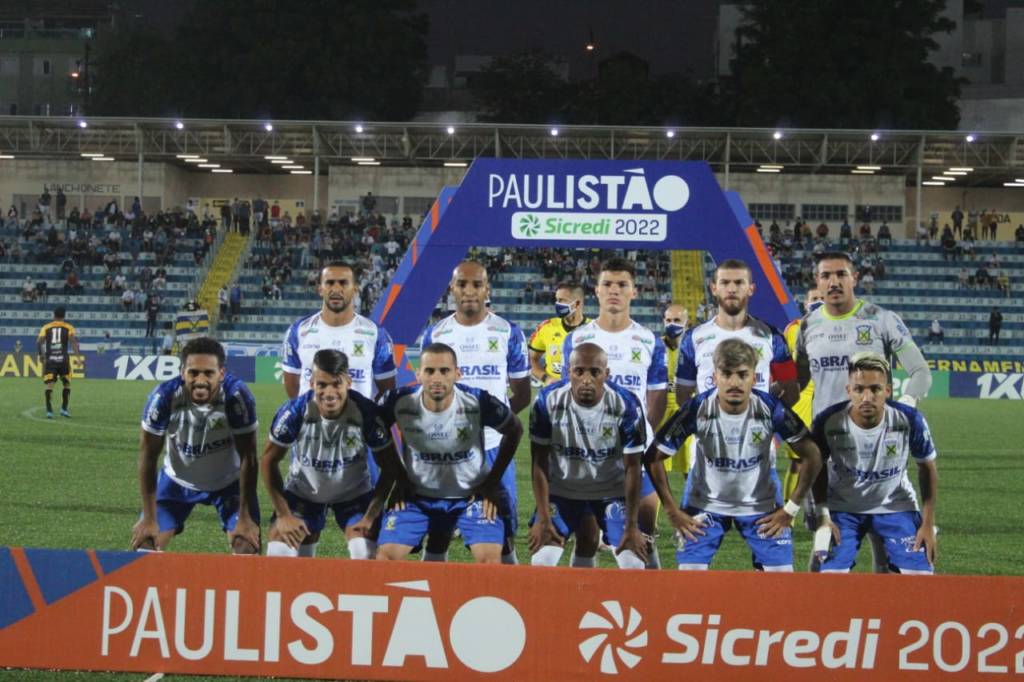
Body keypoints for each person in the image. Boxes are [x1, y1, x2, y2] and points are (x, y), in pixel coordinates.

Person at [796, 251, 931, 573]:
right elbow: (797, 383)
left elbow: (921, 373)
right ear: (817, 282)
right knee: (825, 543)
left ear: (854, 278)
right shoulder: (808, 325)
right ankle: (817, 604)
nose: (834, 282)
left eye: (841, 274)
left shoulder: (881, 319)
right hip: (827, 451)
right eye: (826, 276)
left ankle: (882, 603)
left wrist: (904, 409)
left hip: (879, 449)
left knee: (885, 546)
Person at [645, 339, 822, 571]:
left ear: (754, 378)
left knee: (781, 580)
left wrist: (791, 509)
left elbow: (813, 455)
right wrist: (672, 511)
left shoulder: (771, 409)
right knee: (690, 578)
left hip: (762, 506)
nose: (734, 383)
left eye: (742, 374)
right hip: (704, 505)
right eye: (726, 374)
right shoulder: (697, 408)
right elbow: (653, 457)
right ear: (715, 376)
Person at [419, 260, 530, 563]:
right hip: (445, 450)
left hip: (493, 449)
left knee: (502, 534)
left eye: (477, 285)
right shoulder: (436, 334)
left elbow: (522, 394)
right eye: (462, 284)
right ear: (452, 289)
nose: (469, 291)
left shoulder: (508, 332)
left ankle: (509, 587)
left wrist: (492, 421)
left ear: (487, 289)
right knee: (438, 531)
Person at [561, 257, 668, 568]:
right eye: (607, 284)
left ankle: (654, 596)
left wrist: (639, 438)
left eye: (622, 285)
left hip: (635, 454)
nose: (614, 290)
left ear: (634, 291)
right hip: (588, 453)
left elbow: (657, 397)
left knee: (643, 536)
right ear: (597, 290)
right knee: (586, 535)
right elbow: (566, 396)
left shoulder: (649, 341)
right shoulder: (577, 339)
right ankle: (580, 594)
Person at [375, 343, 523, 564]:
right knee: (385, 558)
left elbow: (515, 429)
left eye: (444, 371)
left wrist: (492, 481)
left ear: (457, 374)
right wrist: (399, 476)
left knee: (490, 562)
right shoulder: (398, 401)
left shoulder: (477, 400)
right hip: (418, 497)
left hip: (471, 497)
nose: (437, 378)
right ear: (418, 374)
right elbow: (375, 432)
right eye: (429, 371)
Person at [130, 337, 261, 554]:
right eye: (193, 373)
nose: (200, 380)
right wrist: (149, 518)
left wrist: (246, 518)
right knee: (145, 545)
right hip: (176, 482)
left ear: (221, 373)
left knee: (247, 547)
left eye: (208, 373)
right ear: (182, 372)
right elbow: (148, 456)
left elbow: (249, 457)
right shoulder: (163, 397)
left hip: (229, 483)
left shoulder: (237, 397)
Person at [262, 350, 397, 559]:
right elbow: (268, 460)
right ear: (311, 384)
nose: (329, 393)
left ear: (348, 382)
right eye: (322, 385)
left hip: (353, 494)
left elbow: (390, 467)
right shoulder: (295, 412)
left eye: (336, 384)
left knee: (364, 552)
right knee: (279, 552)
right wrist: (283, 514)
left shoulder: (367, 413)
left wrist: (371, 516)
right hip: (304, 493)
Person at [812, 352, 938, 574]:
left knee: (920, 577)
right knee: (830, 576)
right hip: (843, 508)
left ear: (887, 391)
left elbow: (927, 468)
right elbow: (816, 467)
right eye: (859, 389)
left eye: (875, 389)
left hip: (896, 505)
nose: (867, 397)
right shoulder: (827, 421)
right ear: (848, 391)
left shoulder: (910, 420)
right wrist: (823, 516)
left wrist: (927, 524)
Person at [528, 343, 649, 569]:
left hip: (611, 493)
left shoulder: (626, 404)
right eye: (579, 371)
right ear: (568, 372)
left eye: (595, 372)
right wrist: (543, 518)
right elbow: (539, 463)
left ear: (606, 374)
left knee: (633, 563)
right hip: (562, 492)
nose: (586, 379)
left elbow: (633, 467)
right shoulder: (547, 400)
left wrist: (632, 525)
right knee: (542, 560)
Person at [528, 280, 589, 386]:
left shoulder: (596, 330)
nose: (557, 304)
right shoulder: (546, 327)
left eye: (562, 300)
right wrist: (545, 378)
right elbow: (530, 359)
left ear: (577, 303)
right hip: (552, 392)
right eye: (556, 300)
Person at [660, 303, 690, 474]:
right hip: (661, 406)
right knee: (658, 460)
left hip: (685, 406)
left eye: (677, 320)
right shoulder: (656, 347)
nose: (672, 324)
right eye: (668, 320)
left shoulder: (693, 348)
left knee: (689, 460)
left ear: (687, 323)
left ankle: (691, 491)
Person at [37, 306, 80, 419]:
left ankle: (49, 411)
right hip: (63, 360)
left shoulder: (46, 327)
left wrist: (41, 356)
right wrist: (78, 358)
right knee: (66, 383)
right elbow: (73, 342)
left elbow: (39, 342)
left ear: (54, 315)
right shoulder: (69, 327)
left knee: (50, 385)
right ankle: (64, 409)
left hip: (51, 360)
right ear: (64, 316)